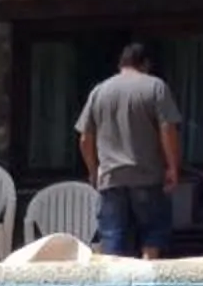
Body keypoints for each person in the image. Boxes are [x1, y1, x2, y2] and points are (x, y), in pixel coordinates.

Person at [75, 43, 187, 260]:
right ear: (145, 64)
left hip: (111, 179)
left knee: (113, 241)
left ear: (120, 64)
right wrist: (173, 167)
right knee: (152, 237)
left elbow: (85, 138)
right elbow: (167, 130)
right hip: (147, 176)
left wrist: (93, 169)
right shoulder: (155, 87)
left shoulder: (99, 91)